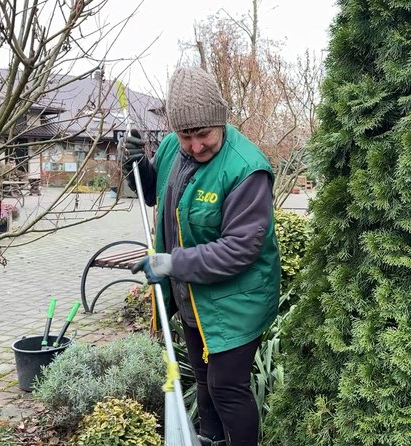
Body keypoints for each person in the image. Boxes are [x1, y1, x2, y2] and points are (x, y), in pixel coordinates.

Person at [123, 66, 281, 446]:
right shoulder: (169, 149)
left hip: (236, 299)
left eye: (204, 135)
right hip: (193, 295)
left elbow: (239, 249)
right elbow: (156, 196)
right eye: (186, 136)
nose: (195, 146)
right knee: (204, 379)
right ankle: (209, 438)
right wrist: (136, 168)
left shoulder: (246, 169)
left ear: (221, 122)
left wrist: (171, 263)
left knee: (227, 387)